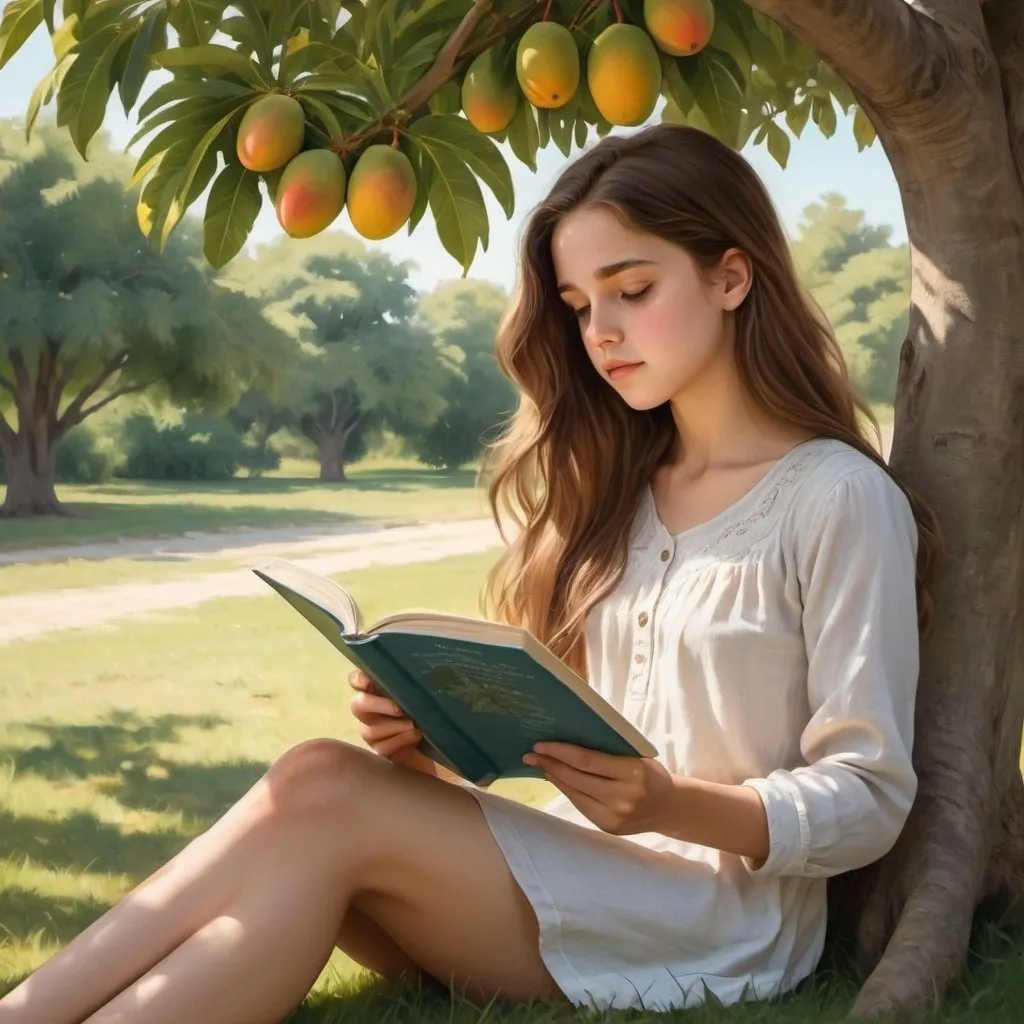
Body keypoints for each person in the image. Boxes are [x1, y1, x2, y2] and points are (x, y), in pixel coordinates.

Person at [0, 122, 944, 1024]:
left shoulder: (839, 498)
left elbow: (871, 795)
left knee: (320, 791)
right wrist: (432, 743)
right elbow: (586, 751)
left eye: (631, 288)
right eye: (579, 307)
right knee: (313, 791)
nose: (601, 331)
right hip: (597, 877)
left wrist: (670, 805)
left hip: (723, 924)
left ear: (731, 276)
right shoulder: (623, 492)